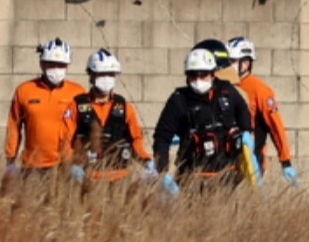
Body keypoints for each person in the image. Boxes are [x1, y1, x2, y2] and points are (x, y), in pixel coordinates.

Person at [153, 46, 257, 186]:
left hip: (229, 176)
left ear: (213, 74)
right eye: (193, 75)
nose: (198, 80)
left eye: (203, 75)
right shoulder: (178, 100)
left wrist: (246, 132)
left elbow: (243, 111)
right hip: (191, 178)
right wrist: (161, 170)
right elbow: (162, 136)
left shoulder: (227, 92)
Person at [6, 37, 85, 176]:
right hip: (32, 166)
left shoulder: (78, 92)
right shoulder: (24, 90)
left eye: (61, 65)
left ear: (67, 66)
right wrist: (10, 160)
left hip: (66, 166)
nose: (56, 69)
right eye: (51, 64)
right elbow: (14, 127)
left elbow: (87, 128)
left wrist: (81, 161)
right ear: (42, 64)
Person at [73, 48, 152, 181]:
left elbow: (136, 139)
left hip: (120, 178)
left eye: (110, 74)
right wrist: (71, 164)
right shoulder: (77, 105)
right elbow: (66, 139)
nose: (106, 78)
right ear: (91, 75)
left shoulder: (125, 107)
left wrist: (147, 161)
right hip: (88, 177)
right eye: (101, 74)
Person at [226, 36, 296, 183]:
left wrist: (285, 161)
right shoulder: (224, 86)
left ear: (245, 63)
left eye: (232, 61)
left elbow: (275, 126)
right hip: (225, 159)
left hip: (251, 162)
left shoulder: (260, 90)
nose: (228, 65)